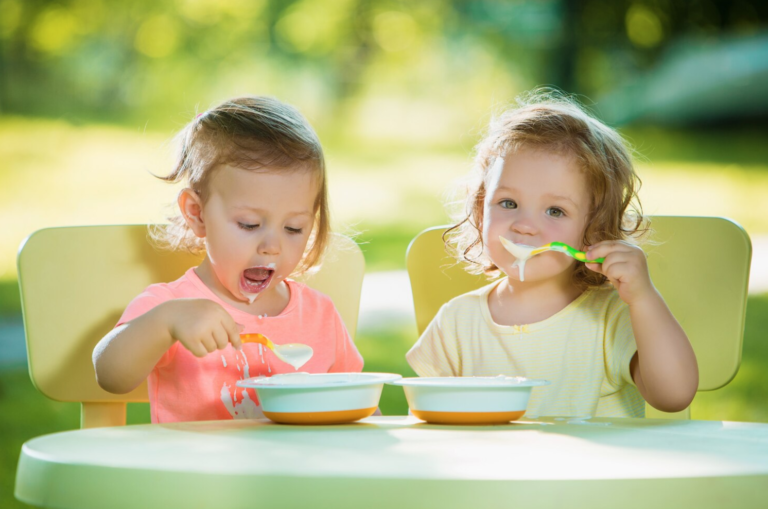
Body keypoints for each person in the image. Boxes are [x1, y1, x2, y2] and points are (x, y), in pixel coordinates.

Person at [406, 89, 698, 418]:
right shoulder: (458, 322)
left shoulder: (612, 317)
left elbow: (674, 396)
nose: (525, 226)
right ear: (480, 210)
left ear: (594, 229)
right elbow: (429, 424)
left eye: (555, 211)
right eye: (508, 203)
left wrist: (645, 299)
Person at [93, 96, 364, 422]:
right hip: (196, 470)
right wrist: (165, 323)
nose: (271, 246)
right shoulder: (174, 305)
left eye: (294, 228)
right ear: (197, 213)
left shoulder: (320, 315)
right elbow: (110, 374)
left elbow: (357, 404)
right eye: (249, 224)